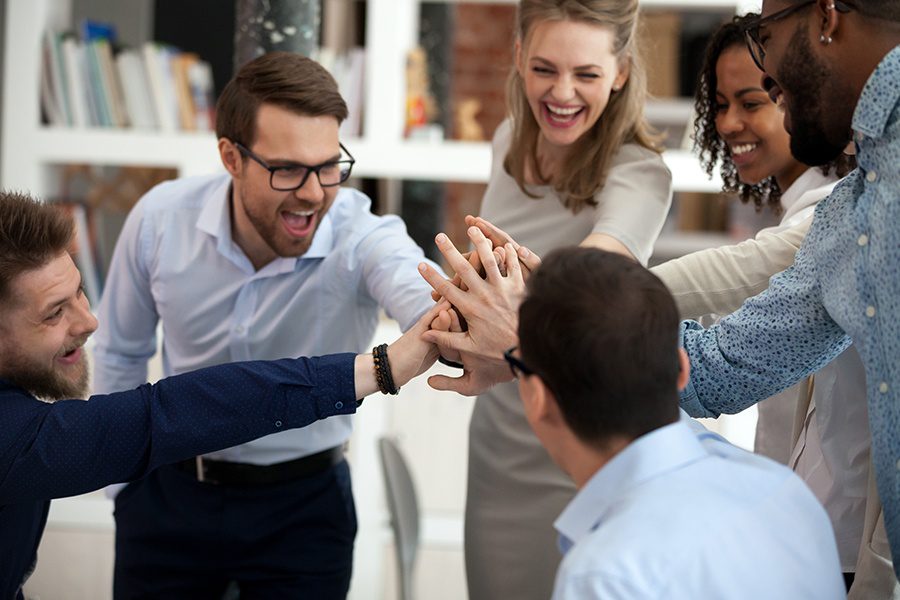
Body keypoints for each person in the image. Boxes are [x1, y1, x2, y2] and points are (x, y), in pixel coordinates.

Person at [427, 0, 900, 585]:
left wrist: (539, 318)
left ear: (825, 18)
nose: (768, 73)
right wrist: (537, 327)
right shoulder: (852, 211)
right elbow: (724, 366)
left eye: (767, 40)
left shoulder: (650, 179)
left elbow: (730, 281)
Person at [92, 52, 442, 599]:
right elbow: (119, 353)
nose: (313, 192)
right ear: (231, 157)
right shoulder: (160, 220)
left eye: (329, 166)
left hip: (305, 510)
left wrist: (464, 314)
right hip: (168, 496)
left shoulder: (362, 234)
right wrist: (123, 488)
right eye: (287, 169)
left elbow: (424, 296)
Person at [0, 190, 441, 600]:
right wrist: (378, 368)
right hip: (169, 503)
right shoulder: (12, 434)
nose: (88, 322)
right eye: (54, 312)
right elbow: (168, 413)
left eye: (79, 291)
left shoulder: (362, 229)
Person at [649, 16, 891, 594]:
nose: (731, 123)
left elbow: (736, 279)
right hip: (809, 534)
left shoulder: (842, 212)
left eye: (759, 96)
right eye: (721, 103)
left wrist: (563, 304)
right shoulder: (840, 212)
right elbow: (724, 370)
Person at [451, 1, 672, 596]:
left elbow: (595, 278)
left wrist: (492, 297)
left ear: (621, 71)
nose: (562, 93)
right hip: (499, 435)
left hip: (577, 454)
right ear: (518, 55)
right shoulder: (506, 142)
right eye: (545, 68)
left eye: (587, 74)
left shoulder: (639, 174)